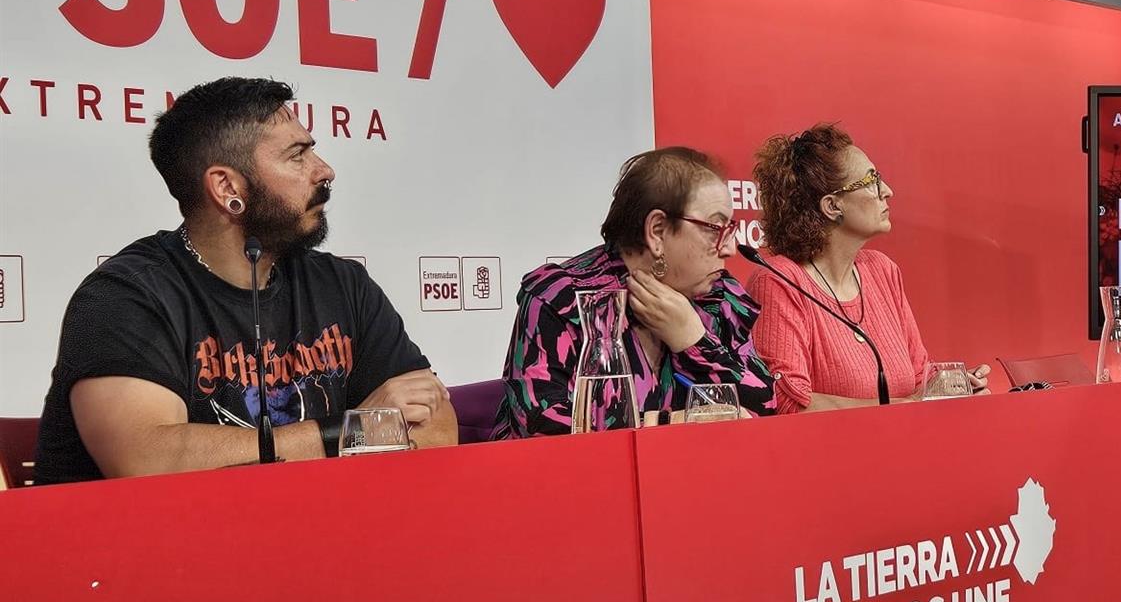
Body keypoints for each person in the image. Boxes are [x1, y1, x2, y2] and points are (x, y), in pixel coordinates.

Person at [34, 77, 453, 483]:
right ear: (227, 186)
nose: (324, 171)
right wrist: (352, 432)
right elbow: (150, 460)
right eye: (297, 156)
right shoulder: (125, 296)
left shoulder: (343, 283)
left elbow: (436, 428)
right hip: (149, 548)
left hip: (311, 536)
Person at [493, 146, 773, 436]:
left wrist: (693, 339)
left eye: (731, 229)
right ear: (657, 231)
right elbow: (540, 428)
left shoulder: (718, 296)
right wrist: (675, 424)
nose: (729, 248)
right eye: (715, 228)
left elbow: (765, 410)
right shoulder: (561, 299)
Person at [747, 125, 984, 412]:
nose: (887, 191)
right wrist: (908, 405)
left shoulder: (881, 270)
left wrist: (956, 384)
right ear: (832, 206)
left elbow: (920, 377)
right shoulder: (778, 280)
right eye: (872, 181)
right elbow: (788, 402)